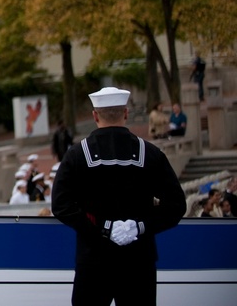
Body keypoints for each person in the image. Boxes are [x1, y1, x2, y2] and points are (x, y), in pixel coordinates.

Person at [52, 86, 186, 306]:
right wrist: (139, 226)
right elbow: (177, 205)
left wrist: (102, 229)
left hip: (93, 261)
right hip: (139, 261)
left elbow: (60, 205)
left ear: (95, 115)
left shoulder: (76, 156)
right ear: (126, 113)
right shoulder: (151, 153)